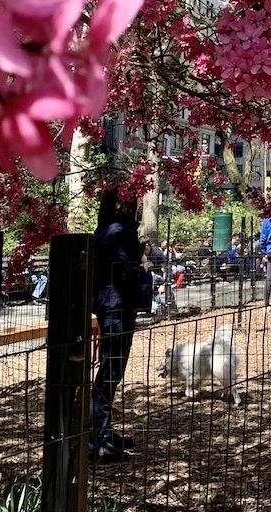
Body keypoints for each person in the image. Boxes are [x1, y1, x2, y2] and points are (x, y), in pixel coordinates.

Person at [91, 187, 151, 462]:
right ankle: (98, 438)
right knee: (111, 369)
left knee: (108, 368)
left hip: (106, 303)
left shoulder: (102, 229)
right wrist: (145, 268)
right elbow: (127, 270)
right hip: (118, 306)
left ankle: (102, 431)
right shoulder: (121, 231)